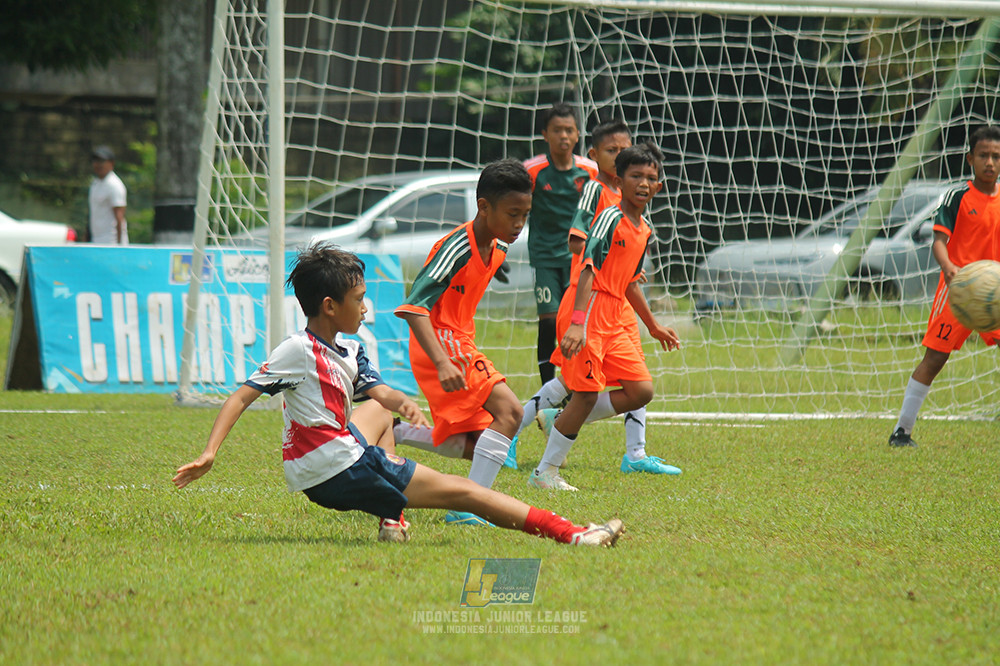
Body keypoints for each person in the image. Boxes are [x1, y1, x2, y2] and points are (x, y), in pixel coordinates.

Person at [173, 244, 624, 548]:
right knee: (466, 493)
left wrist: (401, 402)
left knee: (379, 413)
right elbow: (240, 397)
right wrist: (210, 453)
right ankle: (574, 535)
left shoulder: (349, 347)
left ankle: (394, 517)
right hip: (337, 469)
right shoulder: (297, 349)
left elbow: (377, 391)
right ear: (330, 306)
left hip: (326, 464)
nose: (365, 307)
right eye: (359, 298)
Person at [517, 121, 681, 476]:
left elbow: (631, 282)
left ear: (659, 186)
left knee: (640, 389)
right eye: (634, 175)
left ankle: (570, 426)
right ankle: (544, 470)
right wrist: (578, 323)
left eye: (650, 178)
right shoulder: (607, 212)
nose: (643, 183)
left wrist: (653, 326)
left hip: (616, 313)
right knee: (583, 392)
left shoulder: (645, 229)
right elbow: (587, 262)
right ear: (620, 180)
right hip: (588, 308)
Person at [393, 159, 533, 527]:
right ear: (484, 208)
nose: (519, 224)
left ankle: (398, 432)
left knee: (476, 445)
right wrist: (441, 361)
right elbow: (413, 307)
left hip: (455, 342)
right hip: (440, 343)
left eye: (525, 214)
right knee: (511, 413)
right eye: (512, 214)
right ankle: (468, 508)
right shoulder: (457, 247)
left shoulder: (496, 248)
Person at [888, 125, 1000, 447]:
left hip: (994, 294)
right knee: (934, 360)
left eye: (995, 156)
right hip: (959, 293)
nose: (989, 162)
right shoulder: (957, 196)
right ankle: (902, 431)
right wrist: (950, 268)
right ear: (970, 159)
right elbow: (939, 241)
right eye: (983, 155)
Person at [524, 104, 599, 385]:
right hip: (544, 258)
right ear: (545, 134)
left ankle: (574, 382)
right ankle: (547, 388)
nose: (563, 136)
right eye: (557, 130)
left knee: (576, 323)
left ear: (578, 134)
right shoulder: (533, 171)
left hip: (579, 260)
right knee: (549, 320)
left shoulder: (590, 171)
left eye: (569, 130)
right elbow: (511, 205)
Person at [88, 145, 128, 244]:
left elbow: (119, 218)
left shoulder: (114, 185)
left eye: (102, 161)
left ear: (111, 163)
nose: (98, 165)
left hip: (111, 242)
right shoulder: (95, 183)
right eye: (96, 161)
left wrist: (119, 246)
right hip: (96, 240)